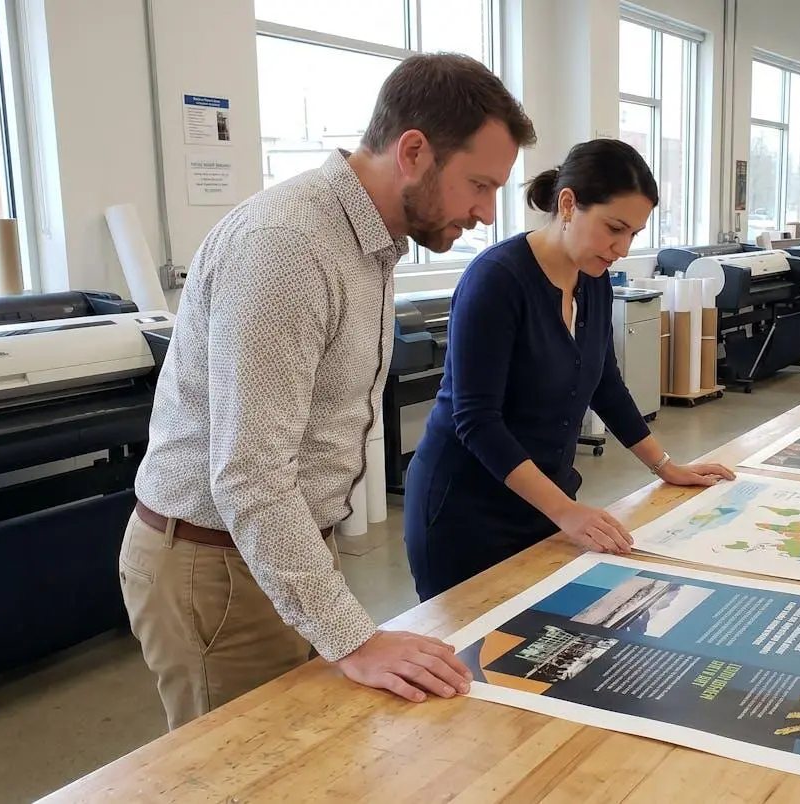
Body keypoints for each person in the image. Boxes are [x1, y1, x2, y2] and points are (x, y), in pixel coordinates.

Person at [120, 53, 538, 731]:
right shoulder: (287, 248)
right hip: (216, 566)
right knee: (243, 776)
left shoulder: (370, 240)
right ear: (413, 151)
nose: (487, 214)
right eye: (479, 184)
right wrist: (355, 637)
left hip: (277, 552)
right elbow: (251, 475)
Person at [403, 139, 736, 602]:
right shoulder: (496, 280)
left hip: (544, 501)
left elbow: (604, 382)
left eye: (634, 235)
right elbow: (476, 420)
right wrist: (566, 512)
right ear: (567, 204)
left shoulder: (593, 280)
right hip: (466, 512)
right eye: (614, 228)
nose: (621, 248)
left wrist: (665, 466)